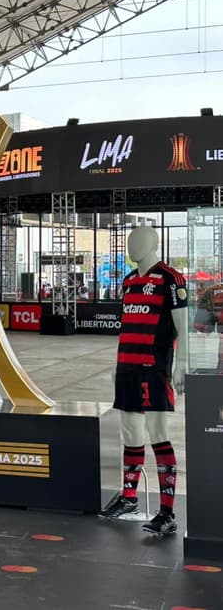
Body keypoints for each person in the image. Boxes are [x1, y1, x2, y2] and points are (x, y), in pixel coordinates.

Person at [99, 225, 187, 537]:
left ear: (154, 243)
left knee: (158, 433)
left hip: (154, 368)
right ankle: (129, 498)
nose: (132, 245)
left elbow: (182, 325)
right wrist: (117, 364)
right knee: (130, 432)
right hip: (127, 367)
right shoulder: (128, 281)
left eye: (138, 240)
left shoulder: (170, 279)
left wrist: (182, 363)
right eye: (129, 241)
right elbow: (127, 327)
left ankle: (167, 512)